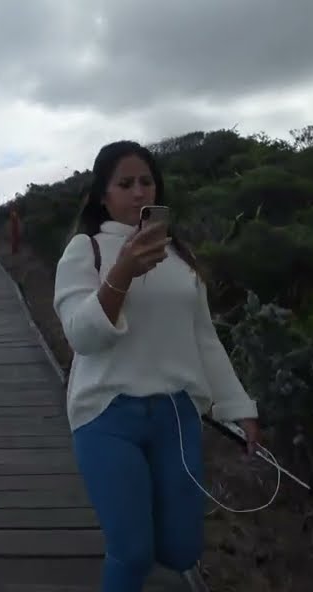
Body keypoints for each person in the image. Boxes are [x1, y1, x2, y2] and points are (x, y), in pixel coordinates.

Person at [52, 140, 262, 592]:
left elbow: (203, 338)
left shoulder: (179, 259)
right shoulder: (84, 251)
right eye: (125, 183)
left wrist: (236, 406)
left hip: (176, 415)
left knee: (183, 549)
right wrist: (122, 272)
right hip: (107, 414)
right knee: (132, 553)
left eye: (146, 181)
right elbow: (82, 336)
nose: (138, 192)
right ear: (102, 195)